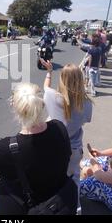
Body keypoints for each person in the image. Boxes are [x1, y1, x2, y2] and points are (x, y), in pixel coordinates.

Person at [0, 83, 73, 215]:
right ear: (42, 105)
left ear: (16, 109)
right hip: (58, 205)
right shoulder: (59, 128)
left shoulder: (7, 149)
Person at [40, 60, 93, 213]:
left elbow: (45, 87)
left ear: (62, 79)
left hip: (53, 148)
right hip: (74, 149)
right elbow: (87, 120)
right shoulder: (87, 104)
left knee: (52, 178)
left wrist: (49, 71)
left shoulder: (51, 96)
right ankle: (76, 209)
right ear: (81, 80)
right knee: (74, 178)